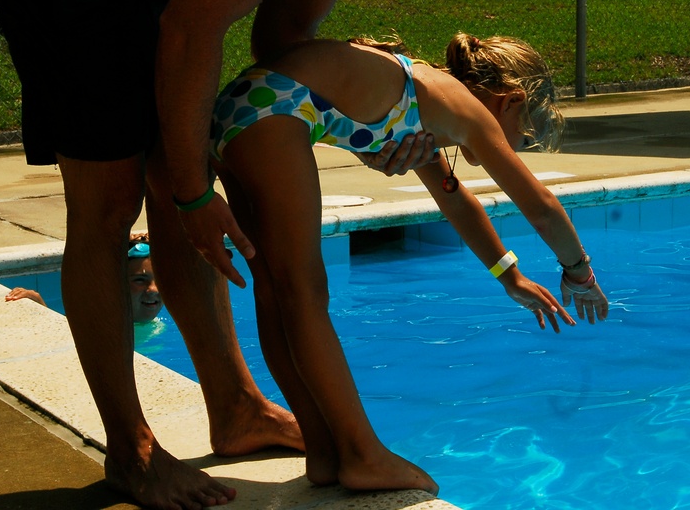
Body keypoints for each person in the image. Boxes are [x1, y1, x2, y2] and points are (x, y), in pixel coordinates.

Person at [0, 0, 536, 509]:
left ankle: (236, 408)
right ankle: (132, 451)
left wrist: (375, 131)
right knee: (112, 198)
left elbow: (285, 46)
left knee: (173, 178)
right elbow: (195, 27)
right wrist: (193, 190)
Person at [209, 32, 609, 494]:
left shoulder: (426, 105)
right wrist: (578, 270)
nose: (516, 147)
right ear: (510, 101)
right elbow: (539, 205)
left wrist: (509, 275)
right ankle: (362, 454)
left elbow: (457, 202)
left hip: (242, 113)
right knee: (304, 291)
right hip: (273, 112)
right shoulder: (466, 107)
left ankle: (325, 451)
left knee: (278, 291)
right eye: (525, 133)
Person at [5, 233, 164, 324]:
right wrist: (41, 309)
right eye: (140, 280)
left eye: (160, 279)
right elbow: (66, 342)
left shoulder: (156, 324)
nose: (154, 289)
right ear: (113, 284)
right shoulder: (100, 325)